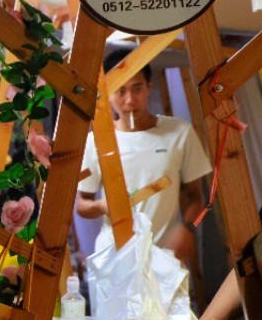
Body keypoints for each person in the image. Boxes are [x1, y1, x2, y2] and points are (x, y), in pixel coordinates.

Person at [76, 48, 213, 268]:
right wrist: (103, 206)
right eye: (120, 91)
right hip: (114, 258)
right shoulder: (97, 141)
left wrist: (188, 229)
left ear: (149, 87)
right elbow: (82, 205)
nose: (130, 100)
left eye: (137, 88)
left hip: (166, 255)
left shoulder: (179, 132)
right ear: (107, 93)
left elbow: (198, 198)